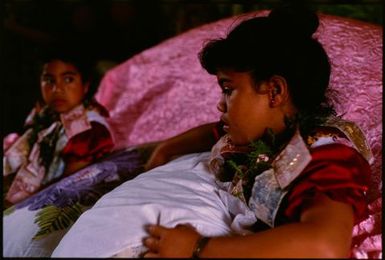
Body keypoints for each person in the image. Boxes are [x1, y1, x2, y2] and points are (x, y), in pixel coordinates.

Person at [49, 4, 372, 258]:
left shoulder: (324, 156)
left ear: (274, 91)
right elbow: (211, 132)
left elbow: (324, 246)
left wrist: (199, 249)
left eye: (228, 90)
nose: (220, 106)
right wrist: (166, 150)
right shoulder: (264, 133)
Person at [3, 46, 114, 208]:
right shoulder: (46, 114)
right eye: (49, 80)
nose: (57, 89)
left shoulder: (88, 130)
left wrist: (11, 206)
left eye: (68, 79)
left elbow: (64, 187)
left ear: (86, 86)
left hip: (48, 205)